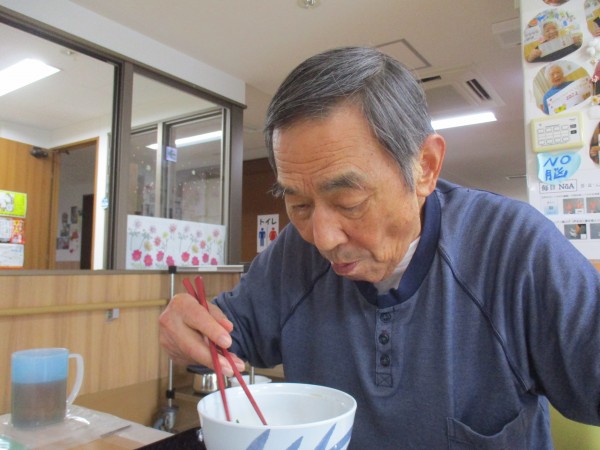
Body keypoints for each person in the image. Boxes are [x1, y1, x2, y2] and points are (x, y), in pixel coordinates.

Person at [159, 47, 600, 449]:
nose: (323, 238)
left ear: (425, 167)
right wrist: (189, 329)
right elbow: (228, 336)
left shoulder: (514, 249)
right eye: (299, 204)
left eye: (348, 202)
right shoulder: (296, 252)